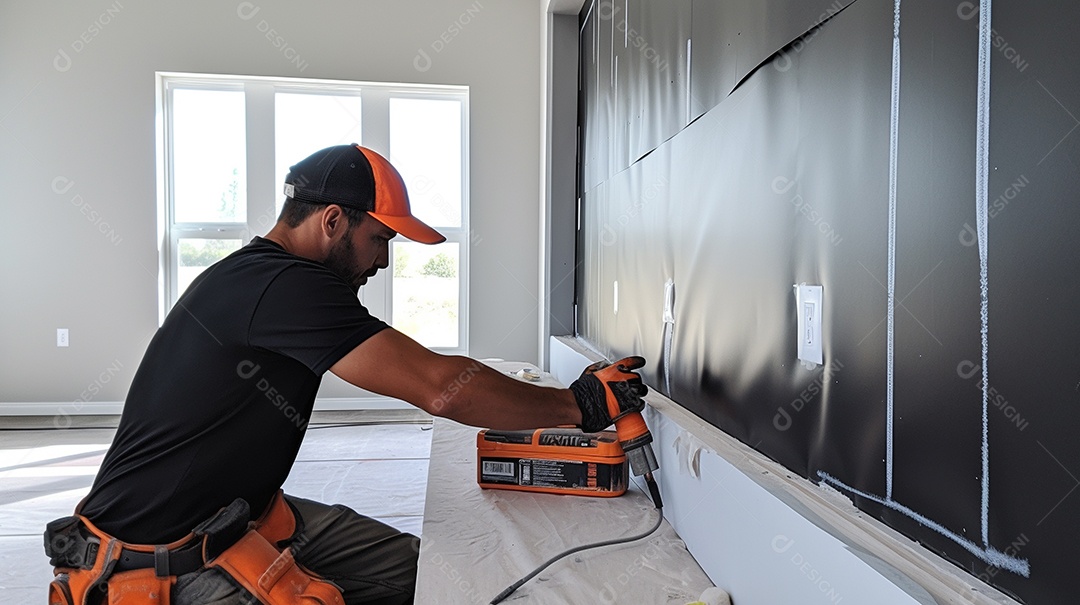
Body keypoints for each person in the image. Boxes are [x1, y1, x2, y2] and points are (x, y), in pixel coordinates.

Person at [45, 144, 648, 605]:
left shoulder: (268, 279)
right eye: (380, 239)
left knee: (435, 576)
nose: (383, 260)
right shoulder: (281, 286)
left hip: (242, 518)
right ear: (333, 220)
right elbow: (441, 388)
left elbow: (435, 375)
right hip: (161, 561)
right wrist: (582, 404)